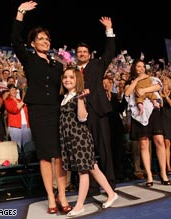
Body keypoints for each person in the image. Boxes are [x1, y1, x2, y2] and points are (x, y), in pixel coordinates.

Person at [11, 1, 71, 214]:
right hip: (38, 112)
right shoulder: (28, 59)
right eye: (41, 39)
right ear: (33, 44)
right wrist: (20, 12)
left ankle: (62, 194)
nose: (45, 41)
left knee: (60, 156)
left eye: (47, 39)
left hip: (57, 112)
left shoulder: (58, 65)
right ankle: (50, 198)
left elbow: (67, 87)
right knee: (46, 156)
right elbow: (15, 41)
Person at [59, 67, 118, 217]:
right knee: (93, 168)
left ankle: (79, 206)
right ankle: (111, 194)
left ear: (78, 79)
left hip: (80, 139)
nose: (67, 79)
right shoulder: (65, 97)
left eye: (71, 77)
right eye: (65, 77)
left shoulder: (80, 95)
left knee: (83, 171)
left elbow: (83, 117)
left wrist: (80, 100)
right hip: (70, 139)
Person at [75, 16, 116, 196]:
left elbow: (110, 51)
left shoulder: (97, 65)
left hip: (98, 111)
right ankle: (91, 187)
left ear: (89, 54)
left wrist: (109, 30)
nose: (82, 54)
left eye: (85, 51)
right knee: (87, 152)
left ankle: (110, 184)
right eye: (79, 52)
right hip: (81, 115)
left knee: (105, 149)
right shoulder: (72, 71)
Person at [124, 59, 170, 187]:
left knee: (159, 141)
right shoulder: (130, 82)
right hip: (139, 114)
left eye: (143, 67)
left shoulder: (151, 78)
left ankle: (163, 173)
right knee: (144, 145)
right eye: (138, 66)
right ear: (134, 68)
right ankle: (149, 175)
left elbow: (158, 86)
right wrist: (137, 80)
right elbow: (127, 93)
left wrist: (144, 90)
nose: (141, 69)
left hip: (153, 113)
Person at [4, 84, 31, 149]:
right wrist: (23, 100)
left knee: (27, 146)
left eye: (15, 90)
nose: (14, 91)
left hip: (26, 125)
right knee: (17, 147)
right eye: (12, 90)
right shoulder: (8, 101)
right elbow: (14, 110)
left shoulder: (19, 100)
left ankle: (27, 158)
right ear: (9, 92)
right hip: (15, 127)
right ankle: (18, 158)